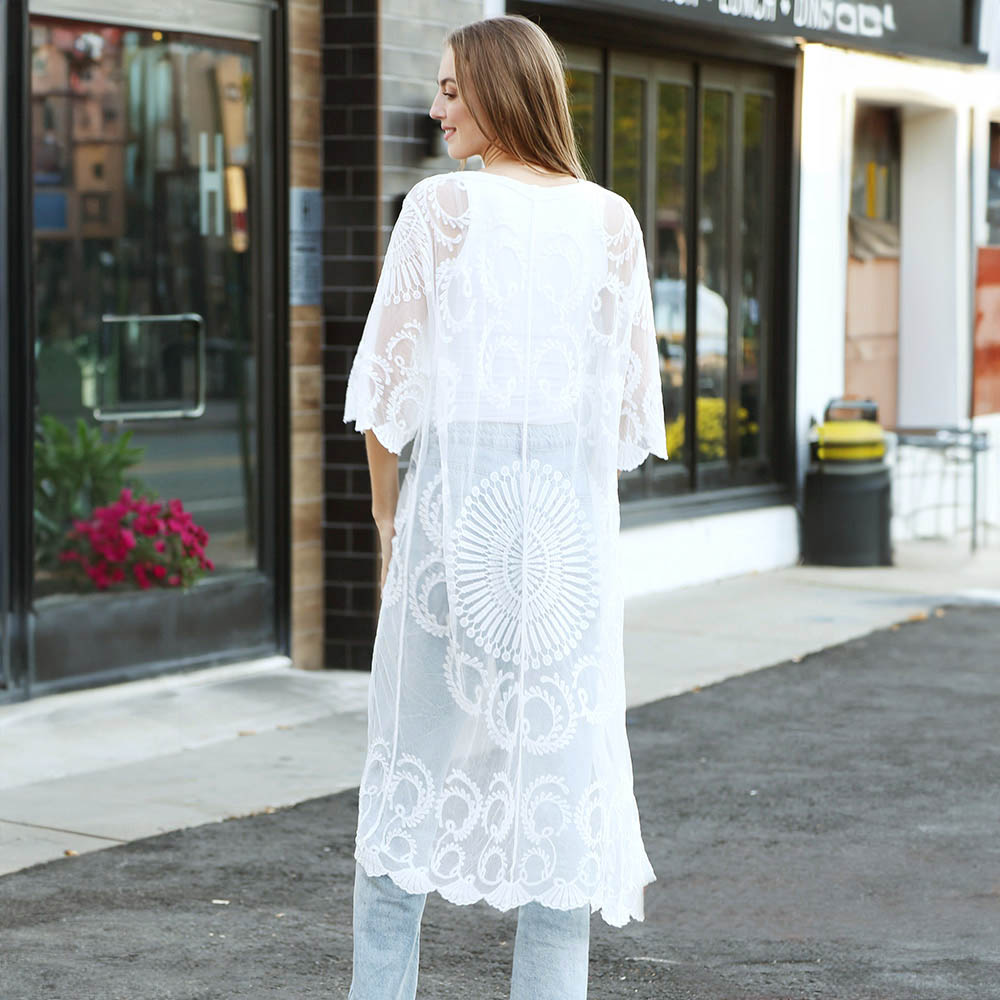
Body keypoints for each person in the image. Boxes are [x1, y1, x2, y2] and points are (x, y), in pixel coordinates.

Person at [342, 15, 667, 999]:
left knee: (405, 792)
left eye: (451, 90)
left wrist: (390, 528)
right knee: (560, 820)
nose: (436, 109)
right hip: (562, 554)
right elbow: (622, 425)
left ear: (498, 90)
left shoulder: (440, 209)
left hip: (454, 539)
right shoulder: (612, 221)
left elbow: (382, 399)